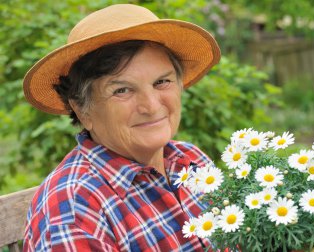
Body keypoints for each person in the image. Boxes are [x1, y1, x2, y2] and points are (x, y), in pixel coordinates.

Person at [22, 4, 220, 251]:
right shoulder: (75, 210)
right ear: (83, 109)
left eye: (162, 82)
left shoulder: (190, 160)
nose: (150, 105)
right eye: (122, 90)